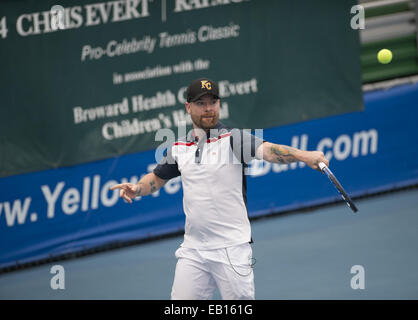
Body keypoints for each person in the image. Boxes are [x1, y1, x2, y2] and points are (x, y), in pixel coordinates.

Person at [110, 78, 329, 300]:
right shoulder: (178, 148)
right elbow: (157, 178)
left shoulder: (233, 138)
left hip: (232, 249)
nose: (208, 109)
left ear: (219, 104)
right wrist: (137, 189)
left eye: (212, 102)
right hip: (193, 250)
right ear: (188, 107)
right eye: (200, 103)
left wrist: (304, 156)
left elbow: (270, 151)